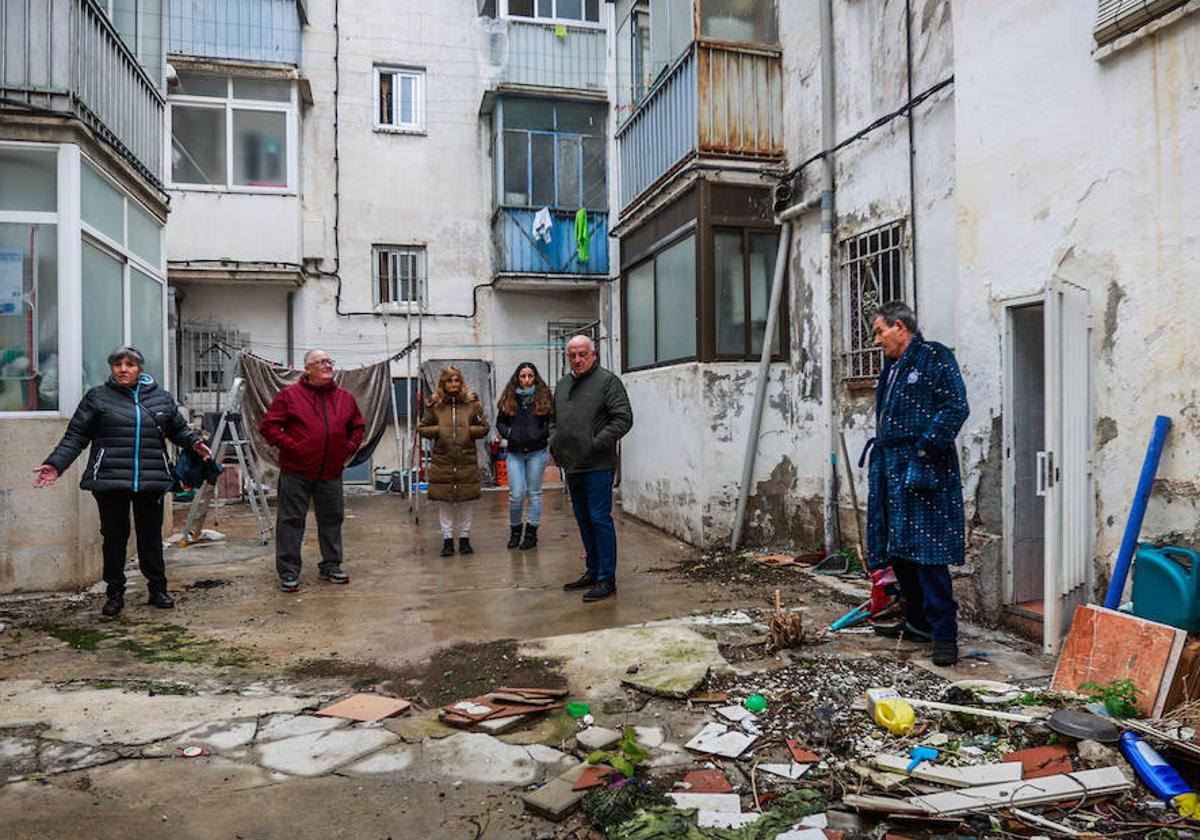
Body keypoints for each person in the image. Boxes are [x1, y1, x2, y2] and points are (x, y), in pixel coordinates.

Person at [33, 346, 213, 617]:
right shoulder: (97, 398)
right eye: (118, 364)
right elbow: (76, 437)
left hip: (151, 479)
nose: (123, 369)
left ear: (140, 368)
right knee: (114, 537)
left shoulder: (161, 398)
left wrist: (194, 443)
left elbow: (178, 430)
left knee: (150, 537)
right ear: (112, 368)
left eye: (129, 364)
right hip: (110, 480)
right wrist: (56, 464)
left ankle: (157, 589)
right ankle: (115, 593)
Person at [863, 301, 970, 666]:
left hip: (925, 467)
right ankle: (918, 622)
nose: (875, 340)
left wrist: (925, 449)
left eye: (879, 331)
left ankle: (945, 634)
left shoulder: (934, 357)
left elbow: (956, 406)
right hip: (890, 466)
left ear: (899, 327)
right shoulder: (891, 368)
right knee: (899, 551)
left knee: (928, 552)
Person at [260, 349, 365, 592]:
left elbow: (357, 427)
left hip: (331, 471)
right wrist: (293, 447)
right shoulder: (289, 396)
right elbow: (269, 427)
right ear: (308, 369)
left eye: (329, 361)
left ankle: (331, 565)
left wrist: (346, 449)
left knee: (332, 520)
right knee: (291, 521)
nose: (328, 365)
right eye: (321, 362)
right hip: (297, 471)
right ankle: (288, 571)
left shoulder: (345, 398)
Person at [551, 336, 633, 602]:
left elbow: (623, 418)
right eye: (572, 355)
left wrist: (596, 443)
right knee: (584, 519)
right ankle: (593, 570)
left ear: (593, 355)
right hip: (573, 465)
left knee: (599, 519)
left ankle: (606, 578)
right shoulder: (563, 385)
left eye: (582, 354)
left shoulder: (608, 382)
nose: (577, 360)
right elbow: (554, 420)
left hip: (598, 464)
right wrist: (555, 442)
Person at [417, 365, 489, 557]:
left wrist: (467, 431)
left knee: (466, 502)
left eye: (457, 380)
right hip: (443, 461)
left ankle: (465, 539)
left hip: (466, 460)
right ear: (443, 383)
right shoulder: (435, 406)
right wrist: (440, 430)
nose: (454, 384)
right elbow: (422, 428)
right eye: (450, 380)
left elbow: (484, 427)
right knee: (445, 503)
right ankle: (447, 541)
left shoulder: (472, 404)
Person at [496, 362, 553, 550]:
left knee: (535, 493)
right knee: (516, 494)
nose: (526, 379)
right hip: (515, 453)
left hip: (537, 452)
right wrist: (510, 434)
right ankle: (515, 531)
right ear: (517, 378)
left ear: (535, 377)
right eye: (523, 376)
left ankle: (531, 534)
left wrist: (540, 433)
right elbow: (500, 423)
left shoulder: (544, 397)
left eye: (530, 375)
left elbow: (551, 421)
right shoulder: (509, 399)